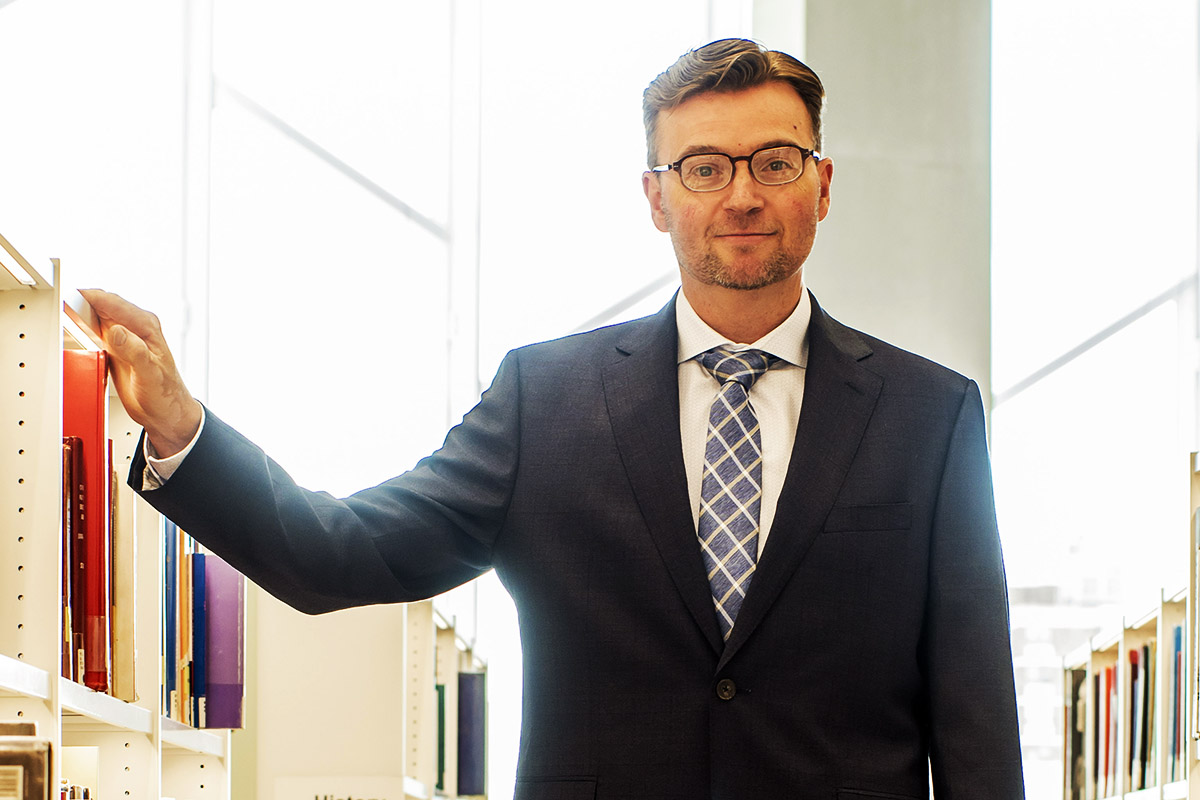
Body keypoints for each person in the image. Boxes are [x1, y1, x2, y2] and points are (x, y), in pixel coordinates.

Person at [84, 38, 1024, 800]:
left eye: (774, 162)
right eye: (703, 167)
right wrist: (181, 431)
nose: (741, 195)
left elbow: (976, 720)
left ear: (821, 184)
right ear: (656, 198)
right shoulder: (545, 400)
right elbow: (337, 554)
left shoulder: (930, 416)